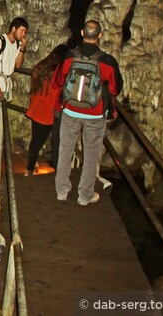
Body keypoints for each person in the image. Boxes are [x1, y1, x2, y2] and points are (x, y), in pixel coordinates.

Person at [52, 20, 123, 205]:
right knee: (91, 154)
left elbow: (59, 80)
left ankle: (62, 191)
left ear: (82, 32)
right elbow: (116, 88)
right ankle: (84, 196)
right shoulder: (107, 61)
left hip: (70, 111)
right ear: (100, 36)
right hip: (94, 114)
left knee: (65, 150)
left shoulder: (69, 56)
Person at [0, 17, 29, 149]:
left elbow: (18, 64)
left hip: (6, 84)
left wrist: (22, 49)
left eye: (25, 32)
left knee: (1, 116)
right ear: (14, 28)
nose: (23, 34)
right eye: (22, 31)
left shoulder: (16, 44)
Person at [24, 44, 68, 175]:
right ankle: (29, 169)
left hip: (36, 108)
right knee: (37, 143)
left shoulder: (41, 66)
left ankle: (32, 164)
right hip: (47, 114)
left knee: (35, 140)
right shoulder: (58, 74)